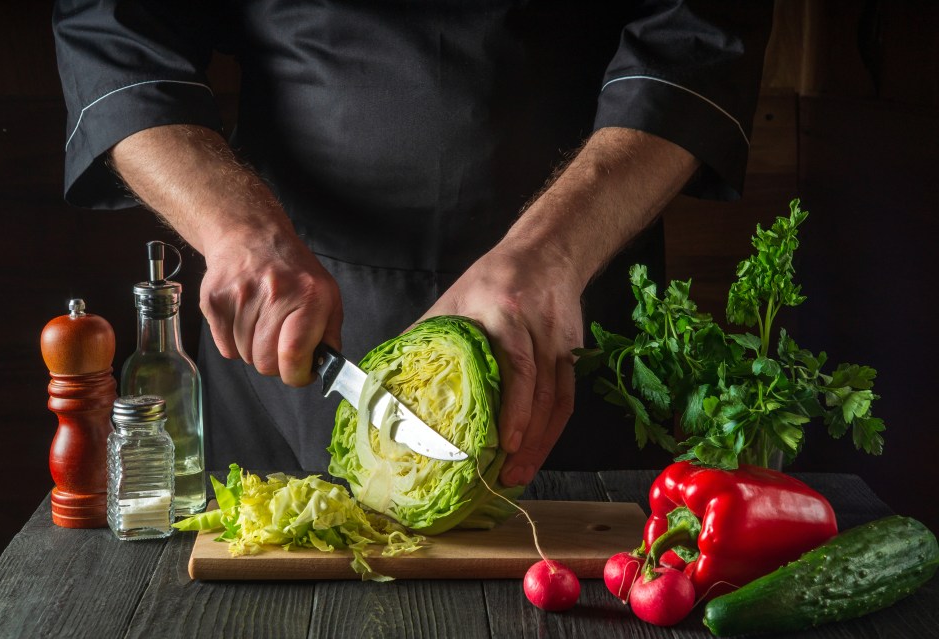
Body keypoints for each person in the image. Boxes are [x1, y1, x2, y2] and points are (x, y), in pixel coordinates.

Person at [53, 1, 774, 486]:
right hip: (286, 333)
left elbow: (701, 25)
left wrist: (553, 253)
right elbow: (112, 25)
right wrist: (236, 230)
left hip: (571, 306)